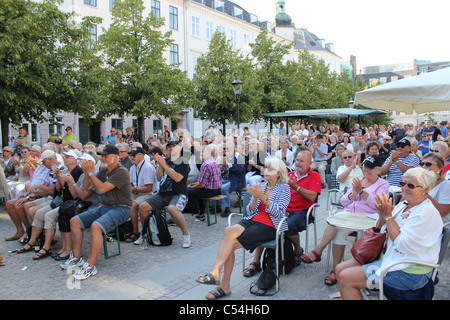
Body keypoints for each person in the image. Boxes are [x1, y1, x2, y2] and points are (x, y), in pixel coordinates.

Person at [336, 168, 443, 300]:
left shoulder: (426, 213)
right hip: (389, 257)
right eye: (403, 184)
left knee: (346, 278)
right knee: (340, 268)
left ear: (425, 189)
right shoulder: (405, 204)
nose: (405, 188)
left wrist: (388, 216)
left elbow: (402, 244)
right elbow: (381, 228)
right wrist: (382, 213)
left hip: (407, 270)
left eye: (411, 185)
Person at [195, 157, 290, 300]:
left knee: (230, 245)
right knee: (228, 232)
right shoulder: (262, 186)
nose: (266, 171)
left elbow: (280, 212)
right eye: (266, 167)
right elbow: (250, 211)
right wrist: (255, 198)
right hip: (253, 220)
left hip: (270, 225)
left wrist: (263, 198)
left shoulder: (284, 188)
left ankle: (223, 285)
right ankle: (216, 273)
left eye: (270, 169)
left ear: (279, 173)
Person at [301, 155, 389, 286]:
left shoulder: (383, 184)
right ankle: (334, 268)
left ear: (378, 169)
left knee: (338, 227)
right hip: (349, 215)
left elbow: (377, 204)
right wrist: (354, 193)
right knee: (337, 226)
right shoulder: (358, 180)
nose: (366, 170)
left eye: (370, 168)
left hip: (367, 218)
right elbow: (343, 201)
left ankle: (319, 252)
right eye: (365, 166)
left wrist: (362, 192)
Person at [62, 144, 132, 280]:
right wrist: (88, 171)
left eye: (106, 156)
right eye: (102, 156)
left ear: (116, 157)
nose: (103, 158)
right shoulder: (103, 170)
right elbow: (88, 186)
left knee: (96, 226)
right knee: (74, 221)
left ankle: (90, 266)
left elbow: (102, 189)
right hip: (105, 206)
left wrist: (89, 172)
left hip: (121, 208)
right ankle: (77, 258)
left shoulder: (121, 171)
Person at [16, 149, 83, 259]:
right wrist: (58, 176)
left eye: (68, 157)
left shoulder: (77, 171)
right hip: (61, 200)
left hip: (68, 202)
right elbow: (58, 189)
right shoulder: (65, 170)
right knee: (37, 213)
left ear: (75, 160)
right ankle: (34, 240)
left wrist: (63, 178)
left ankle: (47, 245)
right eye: (65, 157)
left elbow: (71, 194)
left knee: (48, 215)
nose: (64, 159)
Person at [139, 141, 191, 248]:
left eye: (174, 147)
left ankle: (186, 235)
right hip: (163, 194)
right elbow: (158, 178)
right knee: (143, 207)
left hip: (178, 193)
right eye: (169, 147)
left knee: (172, 209)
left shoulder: (183, 162)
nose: (171, 149)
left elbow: (177, 178)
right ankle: (147, 233)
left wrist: (164, 166)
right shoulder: (166, 161)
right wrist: (160, 165)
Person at [4, 149, 56, 241]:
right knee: (9, 204)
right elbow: (32, 183)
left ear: (50, 159)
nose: (42, 163)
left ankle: (31, 232)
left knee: (18, 206)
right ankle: (21, 231)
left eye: (43, 161)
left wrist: (29, 196)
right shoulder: (42, 167)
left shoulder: (52, 169)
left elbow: (47, 189)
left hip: (40, 195)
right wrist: (26, 194)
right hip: (34, 193)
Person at [56, 151, 101, 260]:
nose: (81, 163)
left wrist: (72, 182)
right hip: (81, 203)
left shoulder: (93, 175)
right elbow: (74, 194)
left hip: (91, 205)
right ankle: (65, 247)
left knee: (68, 216)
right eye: (81, 161)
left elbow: (83, 196)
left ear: (91, 163)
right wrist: (65, 181)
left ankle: (71, 251)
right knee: (62, 214)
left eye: (84, 161)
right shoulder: (82, 175)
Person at [125, 147, 158, 243]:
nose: (131, 157)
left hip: (148, 194)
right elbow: (131, 184)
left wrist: (134, 189)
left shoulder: (147, 167)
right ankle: (129, 230)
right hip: (137, 193)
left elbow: (149, 188)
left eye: (133, 155)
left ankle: (137, 233)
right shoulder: (132, 168)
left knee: (133, 206)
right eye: (131, 155)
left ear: (141, 155)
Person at [187, 144, 222, 222]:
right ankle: (201, 214)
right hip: (217, 189)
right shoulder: (214, 162)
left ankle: (176, 215)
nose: (201, 154)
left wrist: (191, 187)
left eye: (202, 152)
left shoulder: (205, 164)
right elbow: (204, 182)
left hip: (210, 191)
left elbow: (202, 184)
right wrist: (195, 184)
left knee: (185, 192)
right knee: (198, 191)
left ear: (209, 153)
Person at [419, 153, 450, 220]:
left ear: (440, 168)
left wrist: (424, 192)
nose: (424, 166)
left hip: (436, 224)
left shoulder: (446, 186)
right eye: (422, 164)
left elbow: (443, 212)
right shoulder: (419, 183)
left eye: (428, 164)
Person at [220, 141, 245, 217]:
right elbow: (221, 171)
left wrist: (228, 164)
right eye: (225, 148)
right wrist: (223, 165)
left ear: (233, 149)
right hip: (227, 178)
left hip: (237, 180)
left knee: (224, 188)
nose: (226, 150)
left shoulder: (239, 157)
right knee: (216, 184)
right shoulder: (225, 157)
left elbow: (238, 170)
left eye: (228, 148)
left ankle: (227, 208)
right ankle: (216, 206)